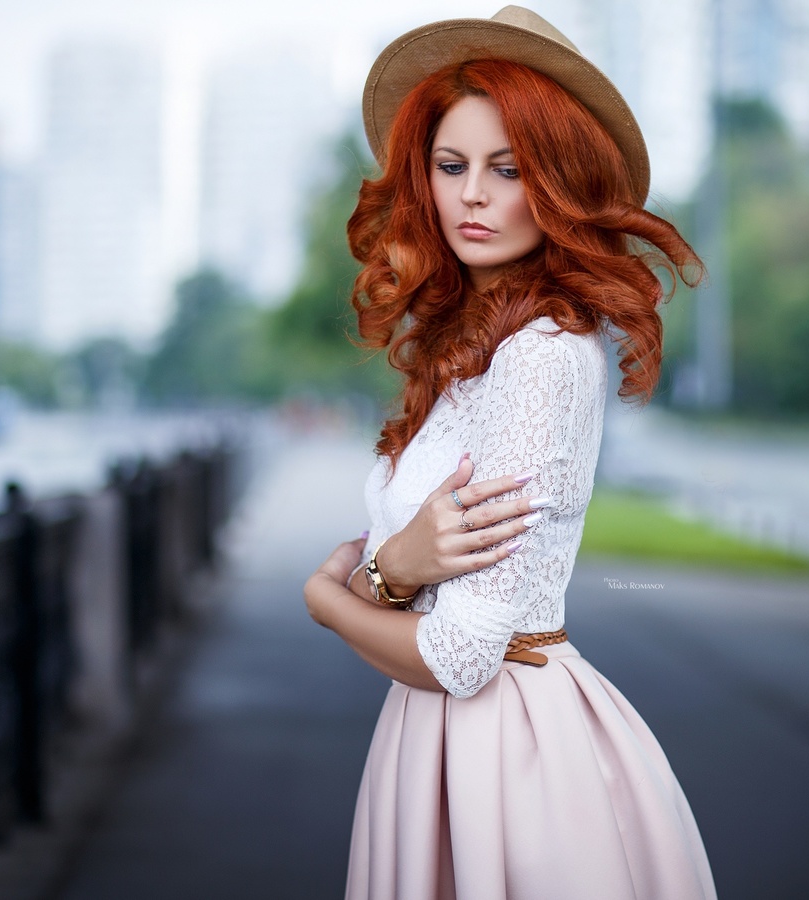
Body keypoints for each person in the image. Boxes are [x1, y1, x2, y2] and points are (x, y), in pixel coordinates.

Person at [302, 7, 718, 898]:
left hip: (507, 749)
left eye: (509, 169)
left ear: (558, 184)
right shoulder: (474, 347)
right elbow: (423, 592)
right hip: (437, 739)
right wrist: (391, 576)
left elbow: (461, 656)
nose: (473, 196)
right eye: (451, 167)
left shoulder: (544, 356)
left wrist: (331, 601)